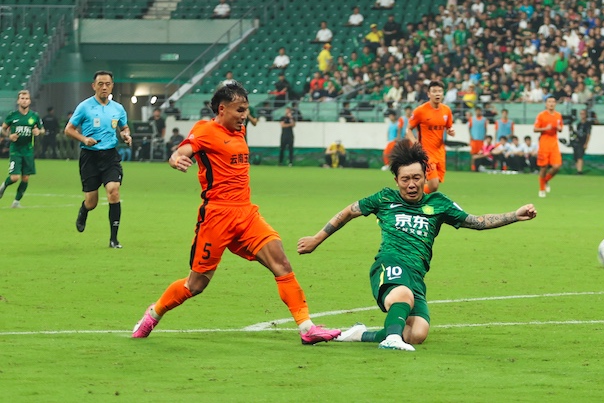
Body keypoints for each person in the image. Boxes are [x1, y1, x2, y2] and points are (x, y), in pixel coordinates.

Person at [131, 82, 341, 344]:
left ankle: (307, 328)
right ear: (222, 109)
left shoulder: (239, 130)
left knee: (281, 263)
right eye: (239, 110)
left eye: (246, 109)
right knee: (196, 285)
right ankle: (153, 313)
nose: (244, 115)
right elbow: (182, 151)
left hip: (246, 213)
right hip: (216, 217)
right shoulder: (205, 130)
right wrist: (176, 159)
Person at [297, 140, 537, 351]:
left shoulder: (439, 203)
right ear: (396, 180)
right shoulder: (385, 198)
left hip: (416, 275)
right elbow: (349, 211)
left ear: (425, 177)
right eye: (405, 179)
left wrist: (514, 215)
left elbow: (477, 222)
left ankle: (359, 334)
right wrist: (317, 239)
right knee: (402, 294)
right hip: (389, 263)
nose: (411, 184)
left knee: (417, 333)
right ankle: (391, 340)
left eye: (416, 178)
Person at [64, 71, 133, 248]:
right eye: (100, 84)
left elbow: (124, 127)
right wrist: (84, 139)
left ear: (112, 86)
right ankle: (84, 210)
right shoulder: (84, 107)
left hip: (110, 156)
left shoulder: (118, 108)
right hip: (90, 157)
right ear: (93, 86)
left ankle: (114, 239)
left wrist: (126, 135)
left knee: (114, 191)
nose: (104, 87)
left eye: (107, 84)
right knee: (92, 201)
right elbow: (69, 129)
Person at [406, 80, 455, 193]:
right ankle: (406, 195)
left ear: (443, 94)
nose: (437, 94)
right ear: (428, 94)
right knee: (433, 186)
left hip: (440, 152)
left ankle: (411, 195)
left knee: (434, 184)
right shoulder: (420, 111)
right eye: (434, 91)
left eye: (440, 91)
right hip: (426, 153)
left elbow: (449, 127)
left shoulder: (446, 110)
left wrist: (451, 131)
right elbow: (408, 129)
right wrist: (414, 142)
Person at [0, 90, 44, 208]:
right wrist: (9, 136)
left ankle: (16, 202)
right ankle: (3, 186)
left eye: (26, 99)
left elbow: (42, 130)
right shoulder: (12, 115)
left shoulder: (34, 116)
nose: (24, 101)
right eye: (22, 98)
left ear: (30, 101)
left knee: (25, 177)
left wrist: (38, 131)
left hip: (28, 150)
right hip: (15, 150)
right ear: (18, 101)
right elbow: (3, 129)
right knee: (15, 177)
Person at [534, 97, 563, 198]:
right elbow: (535, 129)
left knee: (557, 166)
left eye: (553, 102)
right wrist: (545, 128)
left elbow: (560, 128)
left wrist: (559, 128)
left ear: (555, 104)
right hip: (544, 143)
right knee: (544, 167)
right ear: (546, 104)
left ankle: (545, 180)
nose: (551, 104)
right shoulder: (541, 115)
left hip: (554, 143)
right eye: (549, 102)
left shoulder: (558, 115)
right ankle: (541, 189)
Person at [572, 109, 592, 175]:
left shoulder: (587, 124)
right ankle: (578, 169)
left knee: (580, 156)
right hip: (577, 142)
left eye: (583, 114)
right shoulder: (579, 124)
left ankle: (580, 171)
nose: (582, 115)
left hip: (582, 142)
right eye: (581, 114)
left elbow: (588, 134)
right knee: (576, 157)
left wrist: (586, 143)